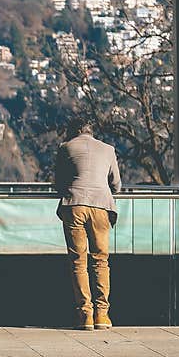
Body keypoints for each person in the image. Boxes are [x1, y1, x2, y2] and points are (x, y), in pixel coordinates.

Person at [54, 116, 122, 331]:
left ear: (74, 131)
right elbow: (117, 185)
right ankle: (103, 314)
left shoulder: (65, 148)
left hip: (74, 205)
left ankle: (85, 315)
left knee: (78, 261)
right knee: (101, 260)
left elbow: (59, 182)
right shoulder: (108, 149)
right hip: (101, 206)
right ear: (92, 131)